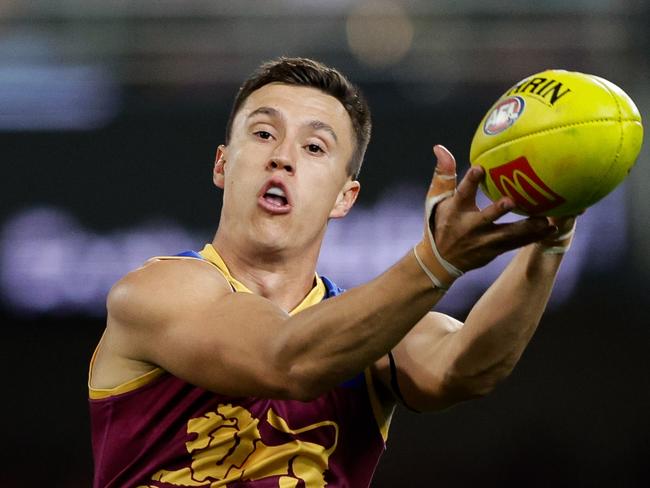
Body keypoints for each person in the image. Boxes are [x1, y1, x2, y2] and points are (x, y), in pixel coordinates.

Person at [88, 57, 577, 488]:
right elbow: (287, 360)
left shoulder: (370, 335)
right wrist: (435, 263)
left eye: (315, 147)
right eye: (263, 134)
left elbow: (465, 367)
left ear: (346, 196)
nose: (282, 156)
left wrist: (551, 239)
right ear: (222, 164)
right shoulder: (154, 293)